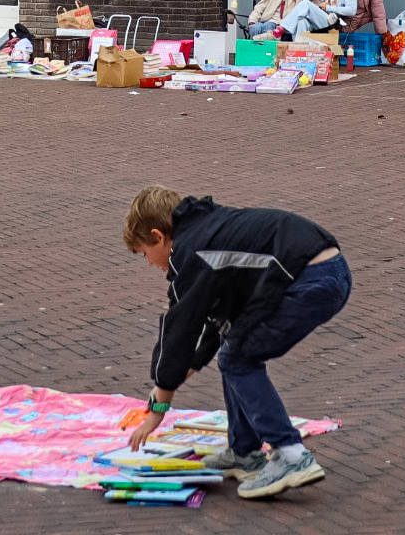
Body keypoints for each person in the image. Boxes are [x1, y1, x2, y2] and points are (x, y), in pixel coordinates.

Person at [122, 185, 351, 500]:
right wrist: (177, 375)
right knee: (235, 351)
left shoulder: (190, 253)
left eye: (144, 252)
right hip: (327, 273)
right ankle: (244, 452)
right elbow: (218, 325)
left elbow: (181, 329)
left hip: (308, 281)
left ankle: (291, 456)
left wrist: (161, 401)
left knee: (238, 359)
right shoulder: (210, 231)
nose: (149, 262)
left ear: (159, 236)